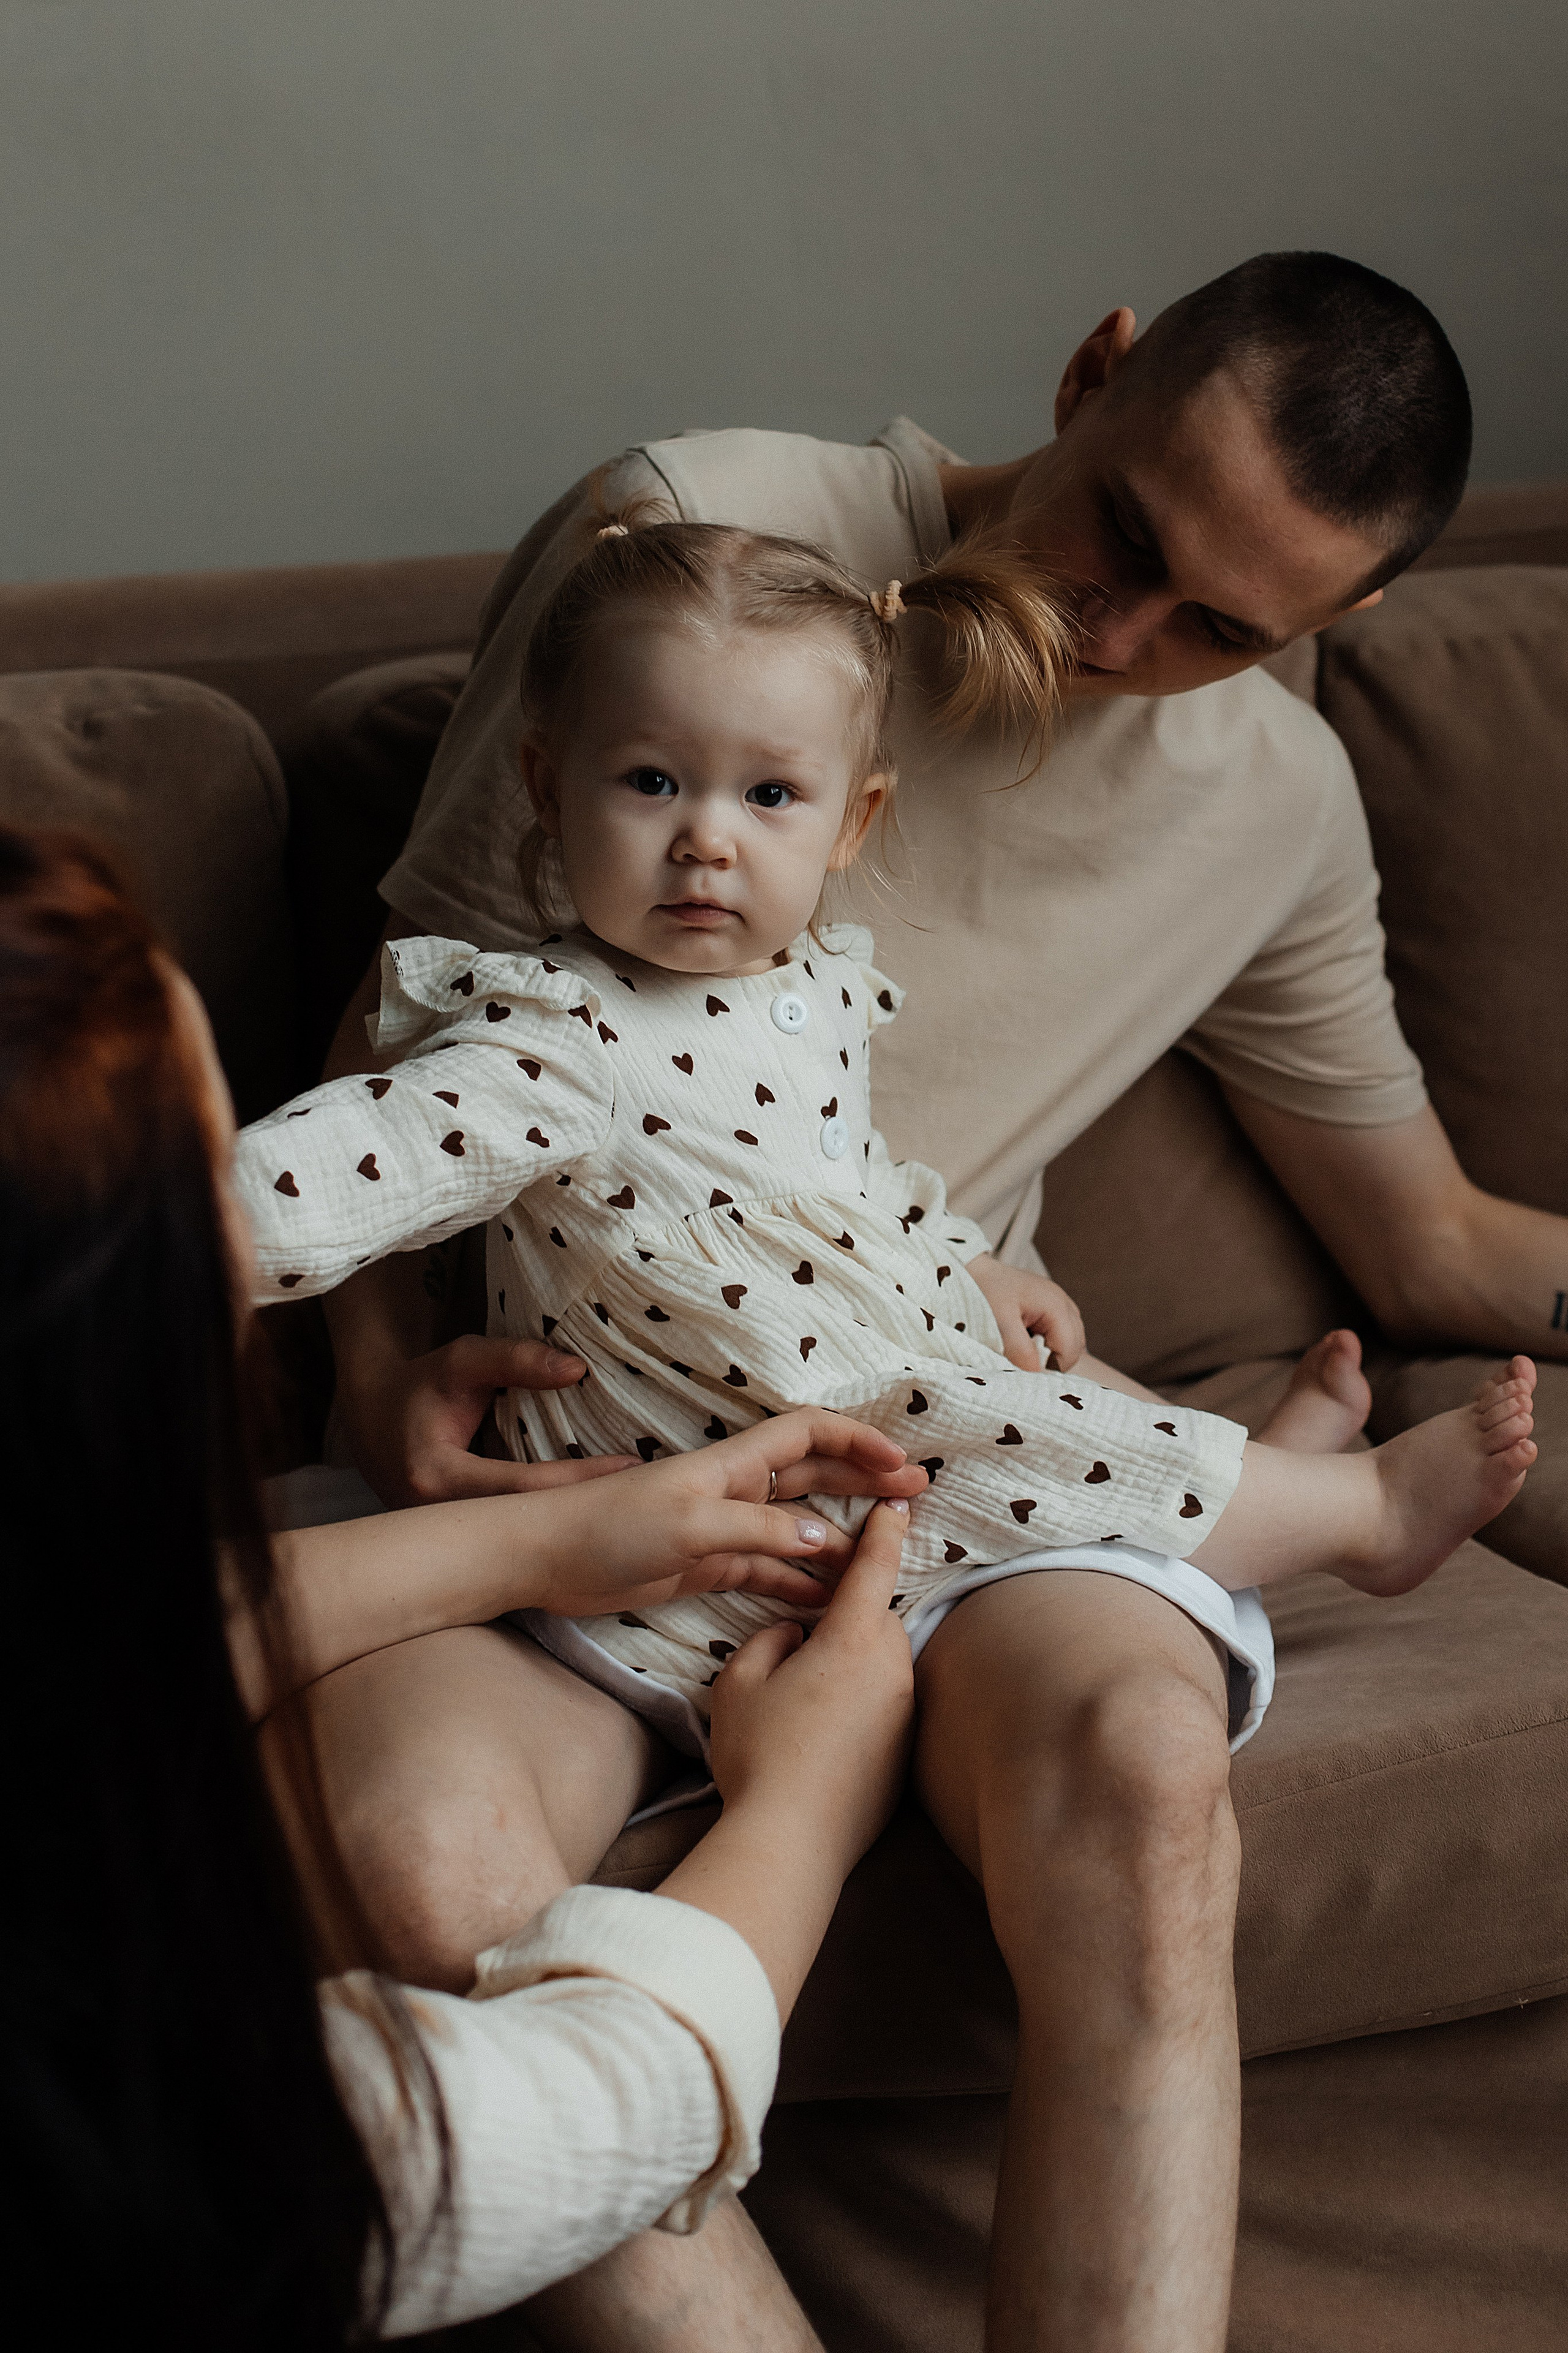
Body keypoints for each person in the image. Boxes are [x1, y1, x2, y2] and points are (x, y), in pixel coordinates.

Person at [301, 253, 1568, 2352]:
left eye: (1221, 628)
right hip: (587, 1438)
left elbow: (1431, 1243)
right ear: (1096, 367)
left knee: (1149, 1782)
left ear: (1329, 632)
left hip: (936, 1450)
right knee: (420, 1863)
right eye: (1126, 533)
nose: (1114, 631)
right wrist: (375, 1374)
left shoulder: (1275, 805)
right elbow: (409, 1026)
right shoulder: (698, 532)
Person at [235, 508, 1537, 1752]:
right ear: (545, 787)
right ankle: (1358, 1516)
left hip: (849, 1371)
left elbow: (849, 1177)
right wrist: (157, 1213)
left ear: (850, 820)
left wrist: (964, 1257)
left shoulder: (803, 992)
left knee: (1024, 1374)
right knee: (981, 1422)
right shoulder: (545, 1044)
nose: (704, 838)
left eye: (768, 796)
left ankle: (1258, 1479)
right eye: (649, 782)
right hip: (722, 1479)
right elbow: (345, 1165)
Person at [2, 824, 929, 2346]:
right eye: (215, 1193)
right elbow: (580, 2106)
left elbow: (94, 1659)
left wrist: (552, 1541)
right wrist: (804, 1807)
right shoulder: (141, 2126)